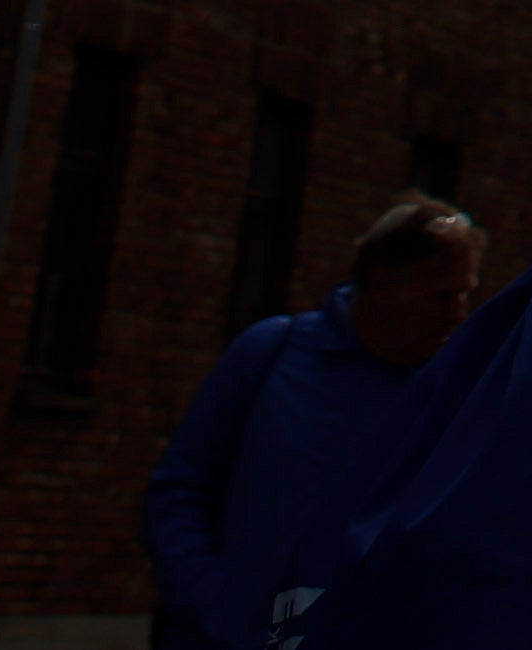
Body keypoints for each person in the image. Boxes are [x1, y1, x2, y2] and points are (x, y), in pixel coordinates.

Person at [145, 194, 485, 645]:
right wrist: (216, 607)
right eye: (442, 296)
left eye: (466, 294)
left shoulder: (445, 401)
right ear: (383, 285)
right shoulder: (274, 354)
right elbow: (179, 492)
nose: (458, 314)